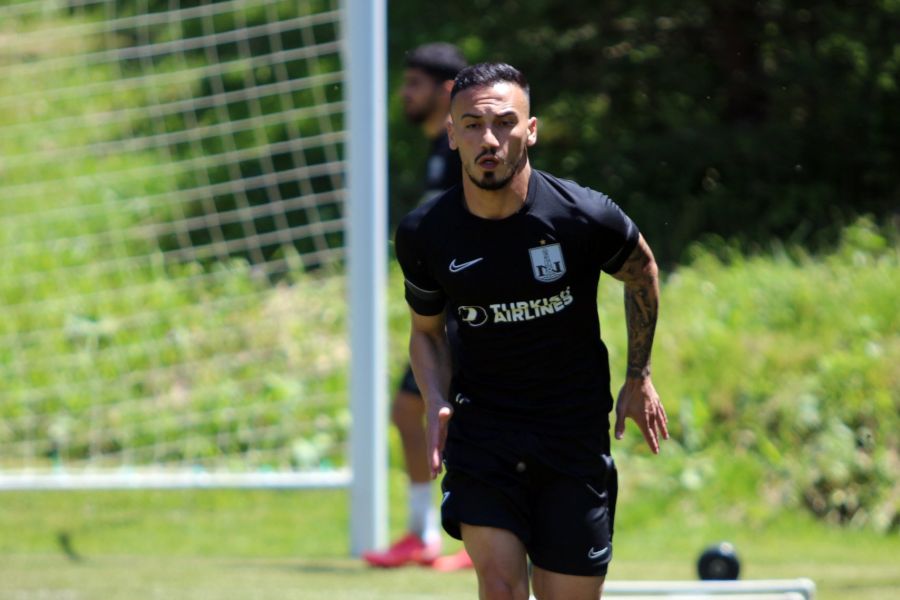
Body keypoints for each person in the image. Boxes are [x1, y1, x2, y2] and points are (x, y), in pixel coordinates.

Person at [394, 62, 668, 599]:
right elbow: (426, 333)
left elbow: (643, 273)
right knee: (501, 588)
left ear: (531, 130)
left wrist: (639, 375)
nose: (488, 139)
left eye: (504, 123)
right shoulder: (426, 233)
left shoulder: (582, 216)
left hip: (572, 433)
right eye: (472, 124)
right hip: (483, 433)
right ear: (451, 135)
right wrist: (434, 400)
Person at [362, 42, 473, 572]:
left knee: (471, 419)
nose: (404, 94)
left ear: (446, 90)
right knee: (409, 411)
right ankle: (424, 534)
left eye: (414, 84)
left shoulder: (464, 150)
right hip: (442, 314)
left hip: (469, 312)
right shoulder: (436, 149)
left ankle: (486, 533)